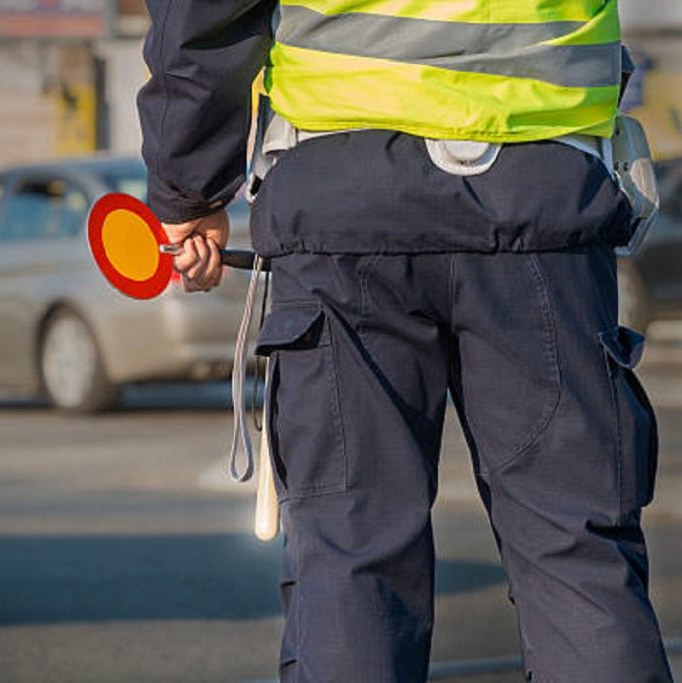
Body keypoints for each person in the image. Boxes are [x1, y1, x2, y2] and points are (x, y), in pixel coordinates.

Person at [136, 1, 674, 681]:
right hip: (543, 189)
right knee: (577, 553)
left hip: (341, 196)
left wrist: (190, 184)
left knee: (352, 556)